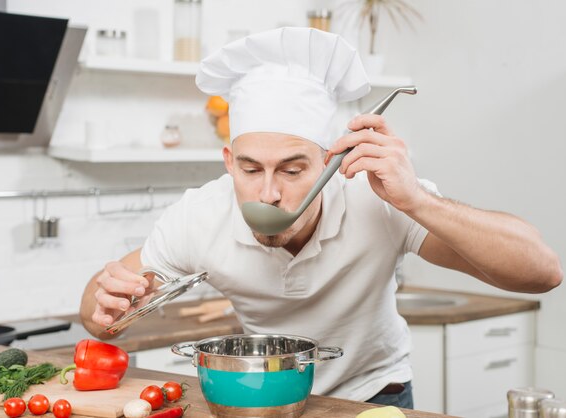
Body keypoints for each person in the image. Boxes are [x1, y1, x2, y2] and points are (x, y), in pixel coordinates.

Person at [79, 27, 562, 408]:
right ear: (229, 163)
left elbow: (543, 272)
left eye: (293, 169)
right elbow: (99, 317)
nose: (268, 193)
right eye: (250, 169)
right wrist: (106, 307)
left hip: (376, 395)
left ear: (330, 163)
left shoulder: (379, 199)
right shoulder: (200, 215)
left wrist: (417, 200)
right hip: (263, 397)